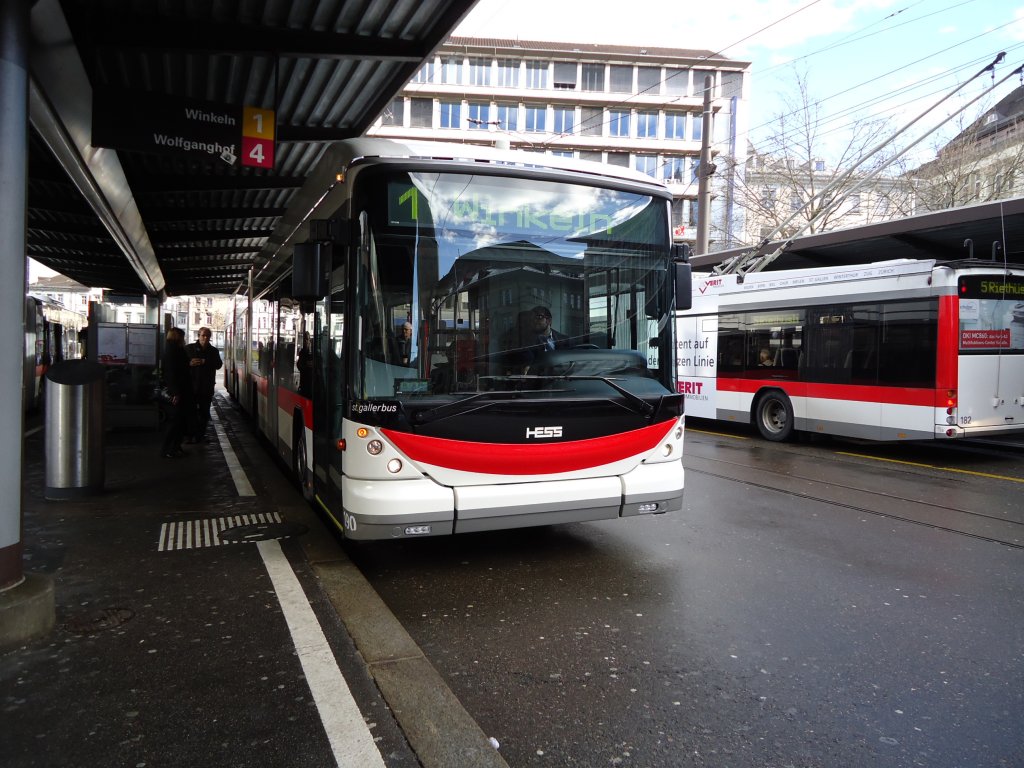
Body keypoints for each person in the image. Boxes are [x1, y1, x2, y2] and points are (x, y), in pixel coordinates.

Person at [160, 327, 193, 458]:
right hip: (178, 392)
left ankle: (175, 447)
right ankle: (167, 449)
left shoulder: (174, 350)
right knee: (174, 422)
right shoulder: (172, 351)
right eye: (182, 337)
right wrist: (175, 393)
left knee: (179, 421)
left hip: (181, 390)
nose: (184, 340)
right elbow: (171, 374)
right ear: (177, 337)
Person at [185, 327, 223, 442]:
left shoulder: (213, 351)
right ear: (198, 336)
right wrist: (189, 363)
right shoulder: (189, 348)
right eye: (203, 335)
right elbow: (180, 364)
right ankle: (190, 435)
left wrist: (205, 362)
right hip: (191, 387)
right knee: (190, 412)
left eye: (207, 336)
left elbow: (219, 364)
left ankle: (200, 436)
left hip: (206, 387)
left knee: (204, 413)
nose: (205, 338)